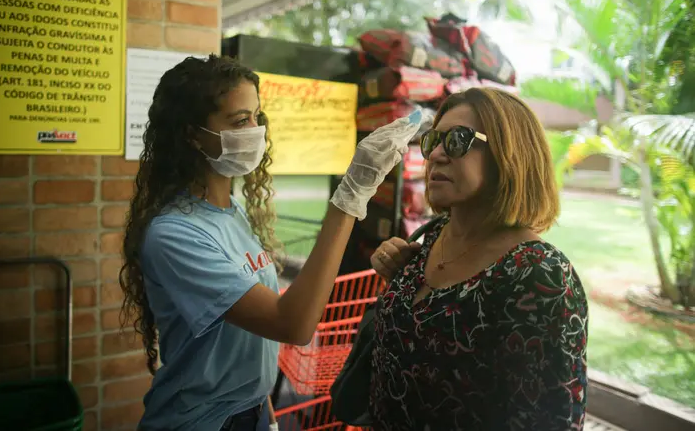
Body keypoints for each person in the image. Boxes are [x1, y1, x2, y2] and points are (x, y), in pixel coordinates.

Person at [119, 54, 422, 431]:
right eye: (239, 120)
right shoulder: (174, 235)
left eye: (256, 116)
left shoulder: (231, 210)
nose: (255, 129)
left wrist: (263, 404)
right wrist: (350, 196)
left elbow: (246, 336)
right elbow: (292, 324)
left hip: (251, 414)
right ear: (192, 135)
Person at [368, 87, 588, 430]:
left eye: (458, 139)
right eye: (433, 140)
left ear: (510, 154)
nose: (436, 155)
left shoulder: (539, 274)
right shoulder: (430, 236)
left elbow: (551, 419)